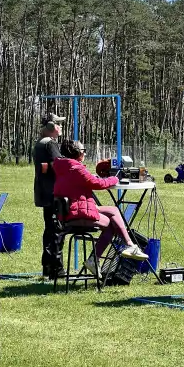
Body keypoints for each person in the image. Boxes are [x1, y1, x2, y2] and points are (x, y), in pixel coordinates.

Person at [52, 139, 149, 264]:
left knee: (114, 210)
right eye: (83, 150)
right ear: (76, 152)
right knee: (111, 225)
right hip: (77, 213)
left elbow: (82, 181)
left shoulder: (63, 166)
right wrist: (115, 179)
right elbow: (98, 184)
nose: (85, 153)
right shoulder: (76, 169)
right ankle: (98, 258)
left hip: (71, 209)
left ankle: (129, 245)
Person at [31, 112, 65, 279]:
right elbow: (60, 166)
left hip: (44, 192)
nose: (60, 127)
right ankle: (56, 270)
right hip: (53, 193)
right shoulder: (50, 144)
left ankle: (47, 268)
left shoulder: (40, 143)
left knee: (50, 230)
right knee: (57, 230)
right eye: (58, 124)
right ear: (51, 126)